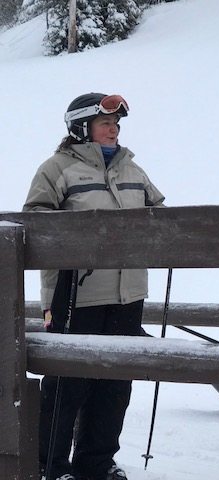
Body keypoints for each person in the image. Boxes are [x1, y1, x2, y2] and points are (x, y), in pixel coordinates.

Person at [23, 93, 165, 480]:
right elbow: (36, 226)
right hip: (75, 296)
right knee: (68, 383)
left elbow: (164, 219)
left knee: (115, 384)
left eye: (117, 123)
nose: (114, 128)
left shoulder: (132, 170)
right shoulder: (57, 170)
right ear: (81, 128)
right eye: (105, 123)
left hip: (128, 293)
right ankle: (49, 466)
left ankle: (96, 463)